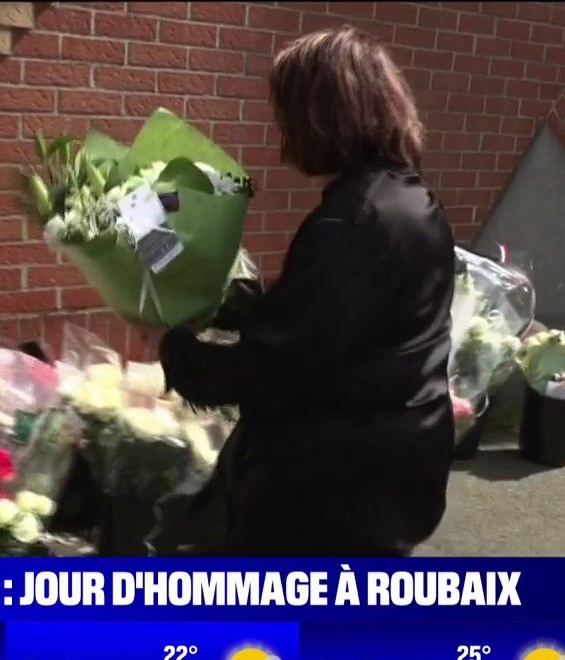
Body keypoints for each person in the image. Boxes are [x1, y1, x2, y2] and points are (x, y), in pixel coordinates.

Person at [156, 27, 457, 556]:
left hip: (333, 489)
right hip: (403, 463)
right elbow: (337, 322)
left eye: (287, 118)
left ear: (322, 117)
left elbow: (274, 369)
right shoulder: (412, 199)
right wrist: (224, 299)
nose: (283, 138)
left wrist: (171, 344)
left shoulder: (351, 220)